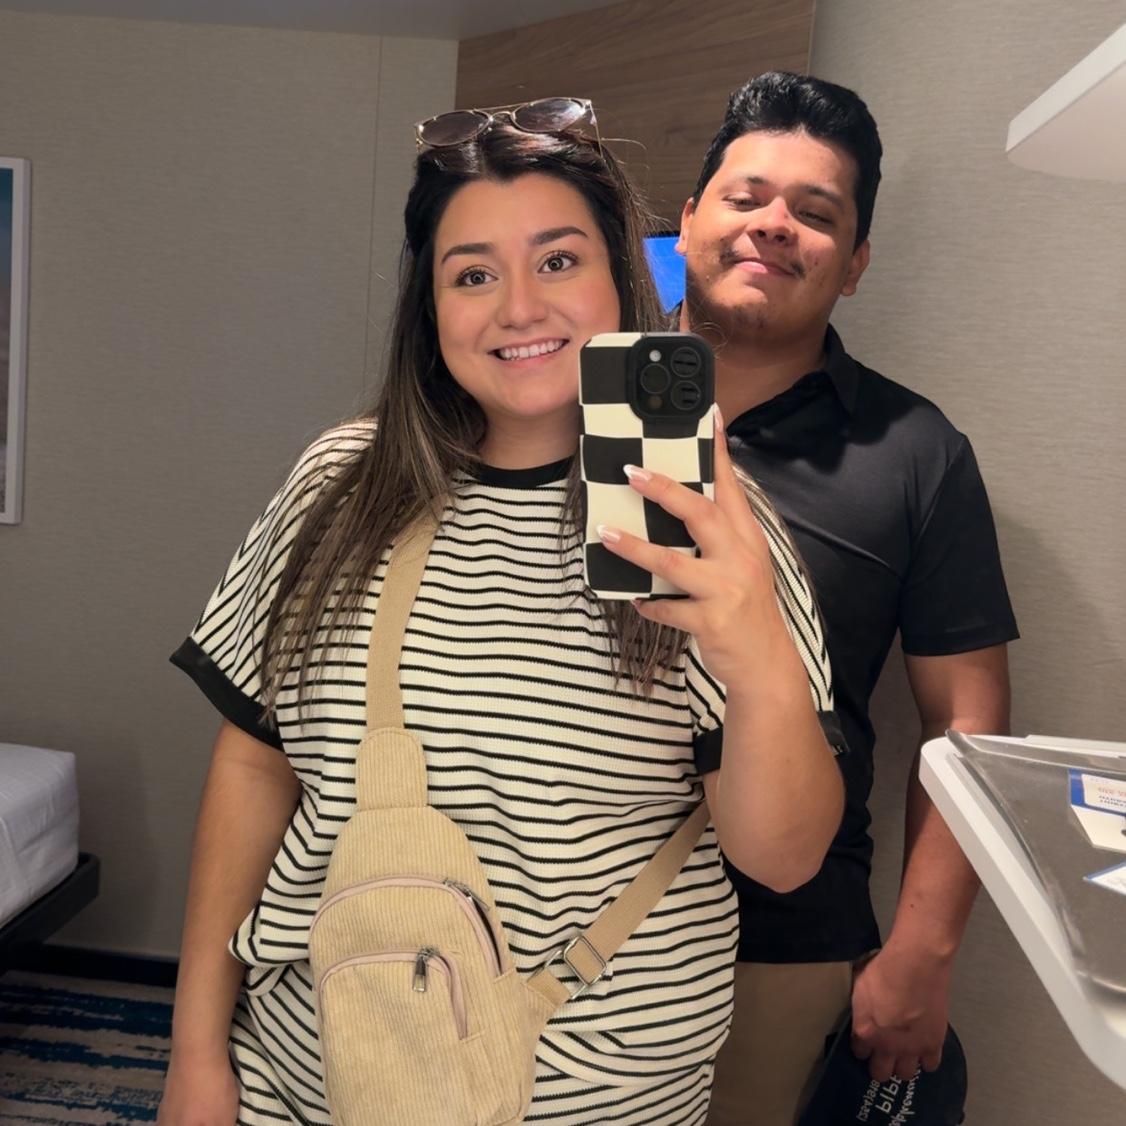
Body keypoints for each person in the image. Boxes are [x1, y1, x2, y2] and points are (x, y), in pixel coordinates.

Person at [157, 101, 846, 1126]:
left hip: (596, 1095)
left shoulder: (710, 522)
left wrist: (757, 654)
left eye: (558, 260)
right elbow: (257, 765)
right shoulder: (339, 486)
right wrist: (194, 1051)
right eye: (472, 274)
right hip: (311, 1074)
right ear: (430, 307)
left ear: (620, 280)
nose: (519, 307)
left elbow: (783, 858)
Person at [675, 72, 1018, 1126]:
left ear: (856, 263)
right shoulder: (555, 404)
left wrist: (923, 950)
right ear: (687, 221)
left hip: (779, 949)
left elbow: (966, 723)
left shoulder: (916, 454)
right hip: (530, 915)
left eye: (815, 213)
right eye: (746, 197)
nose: (773, 224)